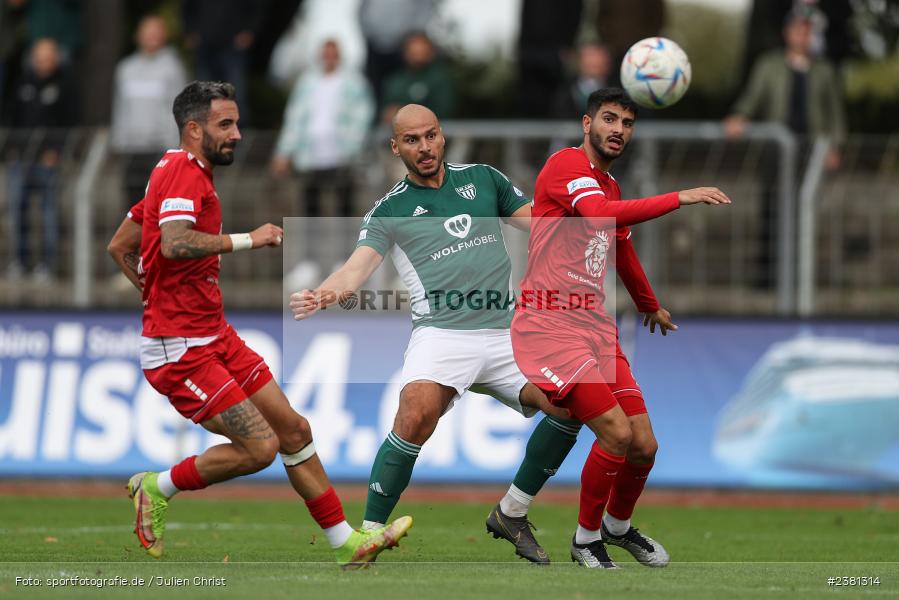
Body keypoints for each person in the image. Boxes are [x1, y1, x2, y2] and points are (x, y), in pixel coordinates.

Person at [113, 80, 411, 567]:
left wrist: (152, 291)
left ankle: (347, 545)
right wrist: (247, 240)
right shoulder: (184, 174)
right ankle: (156, 486)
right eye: (224, 124)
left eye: (236, 123)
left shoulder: (173, 170)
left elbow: (121, 245)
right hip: (181, 348)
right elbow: (172, 242)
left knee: (293, 429)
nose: (237, 134)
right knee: (259, 447)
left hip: (215, 335)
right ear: (193, 129)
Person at [290, 104, 582, 564]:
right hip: (443, 335)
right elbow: (355, 269)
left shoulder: (485, 179)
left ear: (442, 136)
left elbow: (542, 227)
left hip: (507, 334)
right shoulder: (389, 210)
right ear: (395, 147)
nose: (424, 147)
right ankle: (367, 535)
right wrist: (324, 294)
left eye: (430, 136)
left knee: (571, 406)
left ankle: (512, 511)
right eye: (412, 140)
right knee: (415, 414)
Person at [511, 87, 730, 569]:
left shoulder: (609, 186)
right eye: (609, 119)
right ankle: (585, 539)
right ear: (587, 124)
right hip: (550, 324)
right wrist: (680, 197)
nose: (618, 130)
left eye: (627, 124)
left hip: (594, 327)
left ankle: (616, 527)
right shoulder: (566, 167)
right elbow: (597, 217)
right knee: (614, 432)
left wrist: (650, 306)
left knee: (643, 445)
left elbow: (621, 248)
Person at [723, 6, 846, 287]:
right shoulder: (770, 65)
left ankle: (800, 278)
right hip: (776, 150)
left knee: (804, 211)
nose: (801, 35)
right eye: (797, 29)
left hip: (810, 151)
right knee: (771, 209)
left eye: (807, 30)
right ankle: (768, 278)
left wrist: (834, 146)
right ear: (787, 33)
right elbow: (752, 98)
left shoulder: (824, 70)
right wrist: (739, 115)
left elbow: (834, 114)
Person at [271, 39, 374, 217]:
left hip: (343, 154)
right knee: (311, 204)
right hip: (310, 155)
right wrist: (284, 152)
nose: (329, 59)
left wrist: (354, 145)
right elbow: (294, 118)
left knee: (345, 204)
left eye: (333, 54)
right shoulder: (307, 82)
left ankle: (348, 243)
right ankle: (313, 245)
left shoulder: (354, 82)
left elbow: (363, 116)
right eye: (326, 54)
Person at [5, 37, 76, 281]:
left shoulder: (65, 85)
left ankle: (48, 265)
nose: (43, 62)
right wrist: (11, 152)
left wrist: (56, 152)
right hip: (21, 160)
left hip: (48, 162)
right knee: (18, 212)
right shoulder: (21, 83)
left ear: (56, 59)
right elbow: (11, 117)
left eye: (48, 57)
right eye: (40, 56)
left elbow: (69, 123)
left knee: (48, 215)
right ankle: (20, 262)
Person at [111, 15, 187, 212]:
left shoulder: (173, 68)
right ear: (138, 36)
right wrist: (118, 141)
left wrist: (176, 147)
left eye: (156, 33)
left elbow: (179, 108)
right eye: (147, 33)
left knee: (160, 205)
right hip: (132, 147)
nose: (151, 37)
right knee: (133, 207)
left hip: (160, 147)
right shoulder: (126, 68)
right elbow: (120, 106)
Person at [380, 32, 454, 124]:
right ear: (405, 52)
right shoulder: (395, 79)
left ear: (431, 52)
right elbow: (386, 109)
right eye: (413, 51)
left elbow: (442, 111)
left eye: (422, 50)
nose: (417, 55)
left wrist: (404, 114)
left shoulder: (440, 78)